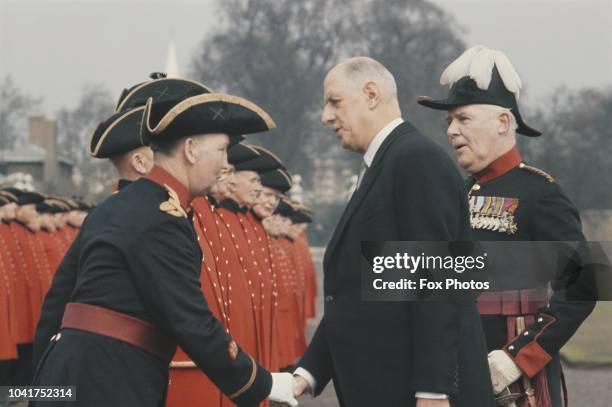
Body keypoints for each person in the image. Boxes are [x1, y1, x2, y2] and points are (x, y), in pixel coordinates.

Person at [30, 92, 297, 407]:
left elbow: (56, 305)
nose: (227, 164)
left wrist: (38, 387)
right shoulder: (162, 218)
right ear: (191, 150)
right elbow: (190, 320)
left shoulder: (119, 205)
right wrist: (261, 383)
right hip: (109, 380)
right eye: (223, 150)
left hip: (72, 371)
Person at [293, 57, 492, 407]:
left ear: (371, 95)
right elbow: (358, 290)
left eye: (335, 102)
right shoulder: (389, 163)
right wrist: (307, 374)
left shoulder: (415, 161)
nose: (326, 116)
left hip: (414, 394)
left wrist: (433, 390)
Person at [418, 45, 596, 407]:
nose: (451, 131)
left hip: (511, 383)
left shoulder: (539, 193)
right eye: (448, 121)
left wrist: (519, 356)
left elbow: (584, 282)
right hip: (454, 374)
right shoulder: (458, 194)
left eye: (463, 119)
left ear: (502, 122)